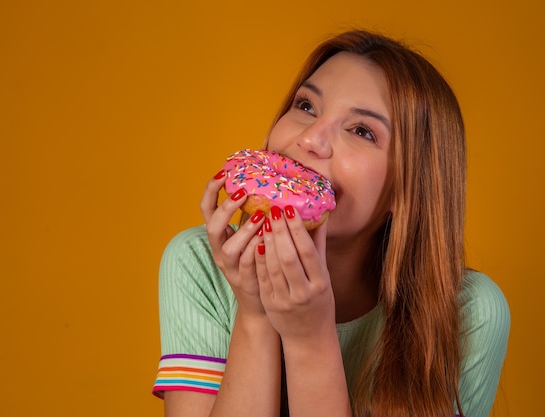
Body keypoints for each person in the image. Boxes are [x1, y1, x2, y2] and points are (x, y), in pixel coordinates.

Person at [152, 29, 510, 417]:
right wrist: (255, 315)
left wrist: (310, 340)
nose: (310, 139)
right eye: (306, 106)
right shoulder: (198, 262)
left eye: (361, 130)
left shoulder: (468, 312)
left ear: (407, 190)